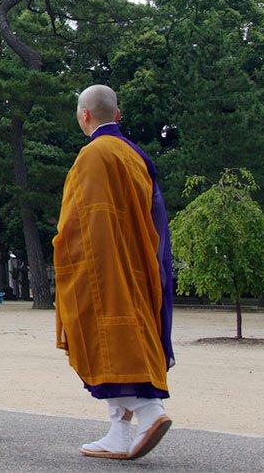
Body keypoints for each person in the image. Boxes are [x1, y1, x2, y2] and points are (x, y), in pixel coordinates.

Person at [54, 84, 175, 460]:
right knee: (127, 338)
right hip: (139, 265)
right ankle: (118, 433)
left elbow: (82, 222)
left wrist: (64, 251)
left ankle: (148, 410)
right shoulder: (134, 155)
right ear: (117, 115)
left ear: (84, 115)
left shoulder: (93, 155)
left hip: (104, 266)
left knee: (107, 342)